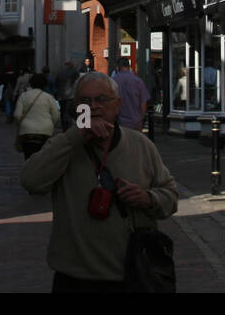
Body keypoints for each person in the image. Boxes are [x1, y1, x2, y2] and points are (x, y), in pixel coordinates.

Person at [20, 71, 179, 291]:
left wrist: (148, 198)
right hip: (75, 277)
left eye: (102, 99)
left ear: (117, 105)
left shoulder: (140, 145)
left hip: (132, 274)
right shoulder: (63, 146)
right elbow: (31, 181)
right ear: (76, 107)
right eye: (85, 101)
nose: (93, 106)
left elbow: (170, 196)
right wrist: (76, 136)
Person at [13, 72, 60, 159]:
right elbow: (56, 115)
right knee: (44, 157)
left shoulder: (23, 96)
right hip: (45, 131)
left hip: (27, 131)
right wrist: (50, 124)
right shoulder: (49, 97)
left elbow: (17, 115)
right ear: (45, 84)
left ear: (31, 83)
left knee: (28, 157)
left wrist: (20, 123)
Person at [112, 59, 150, 131]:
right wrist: (141, 119)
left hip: (119, 123)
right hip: (136, 122)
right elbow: (143, 103)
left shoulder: (113, 81)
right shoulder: (138, 81)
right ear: (129, 67)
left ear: (118, 67)